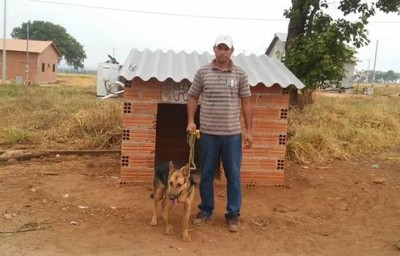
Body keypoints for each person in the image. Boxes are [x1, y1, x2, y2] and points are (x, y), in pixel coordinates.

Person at [186, 34, 253, 232]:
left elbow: (247, 102)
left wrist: (249, 131)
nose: (222, 51)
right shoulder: (203, 72)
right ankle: (206, 210)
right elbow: (192, 96)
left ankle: (233, 214)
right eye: (219, 47)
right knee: (206, 174)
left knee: (233, 176)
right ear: (214, 48)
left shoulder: (240, 74)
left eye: (226, 48)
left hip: (232, 135)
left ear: (232, 50)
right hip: (208, 133)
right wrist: (190, 121)